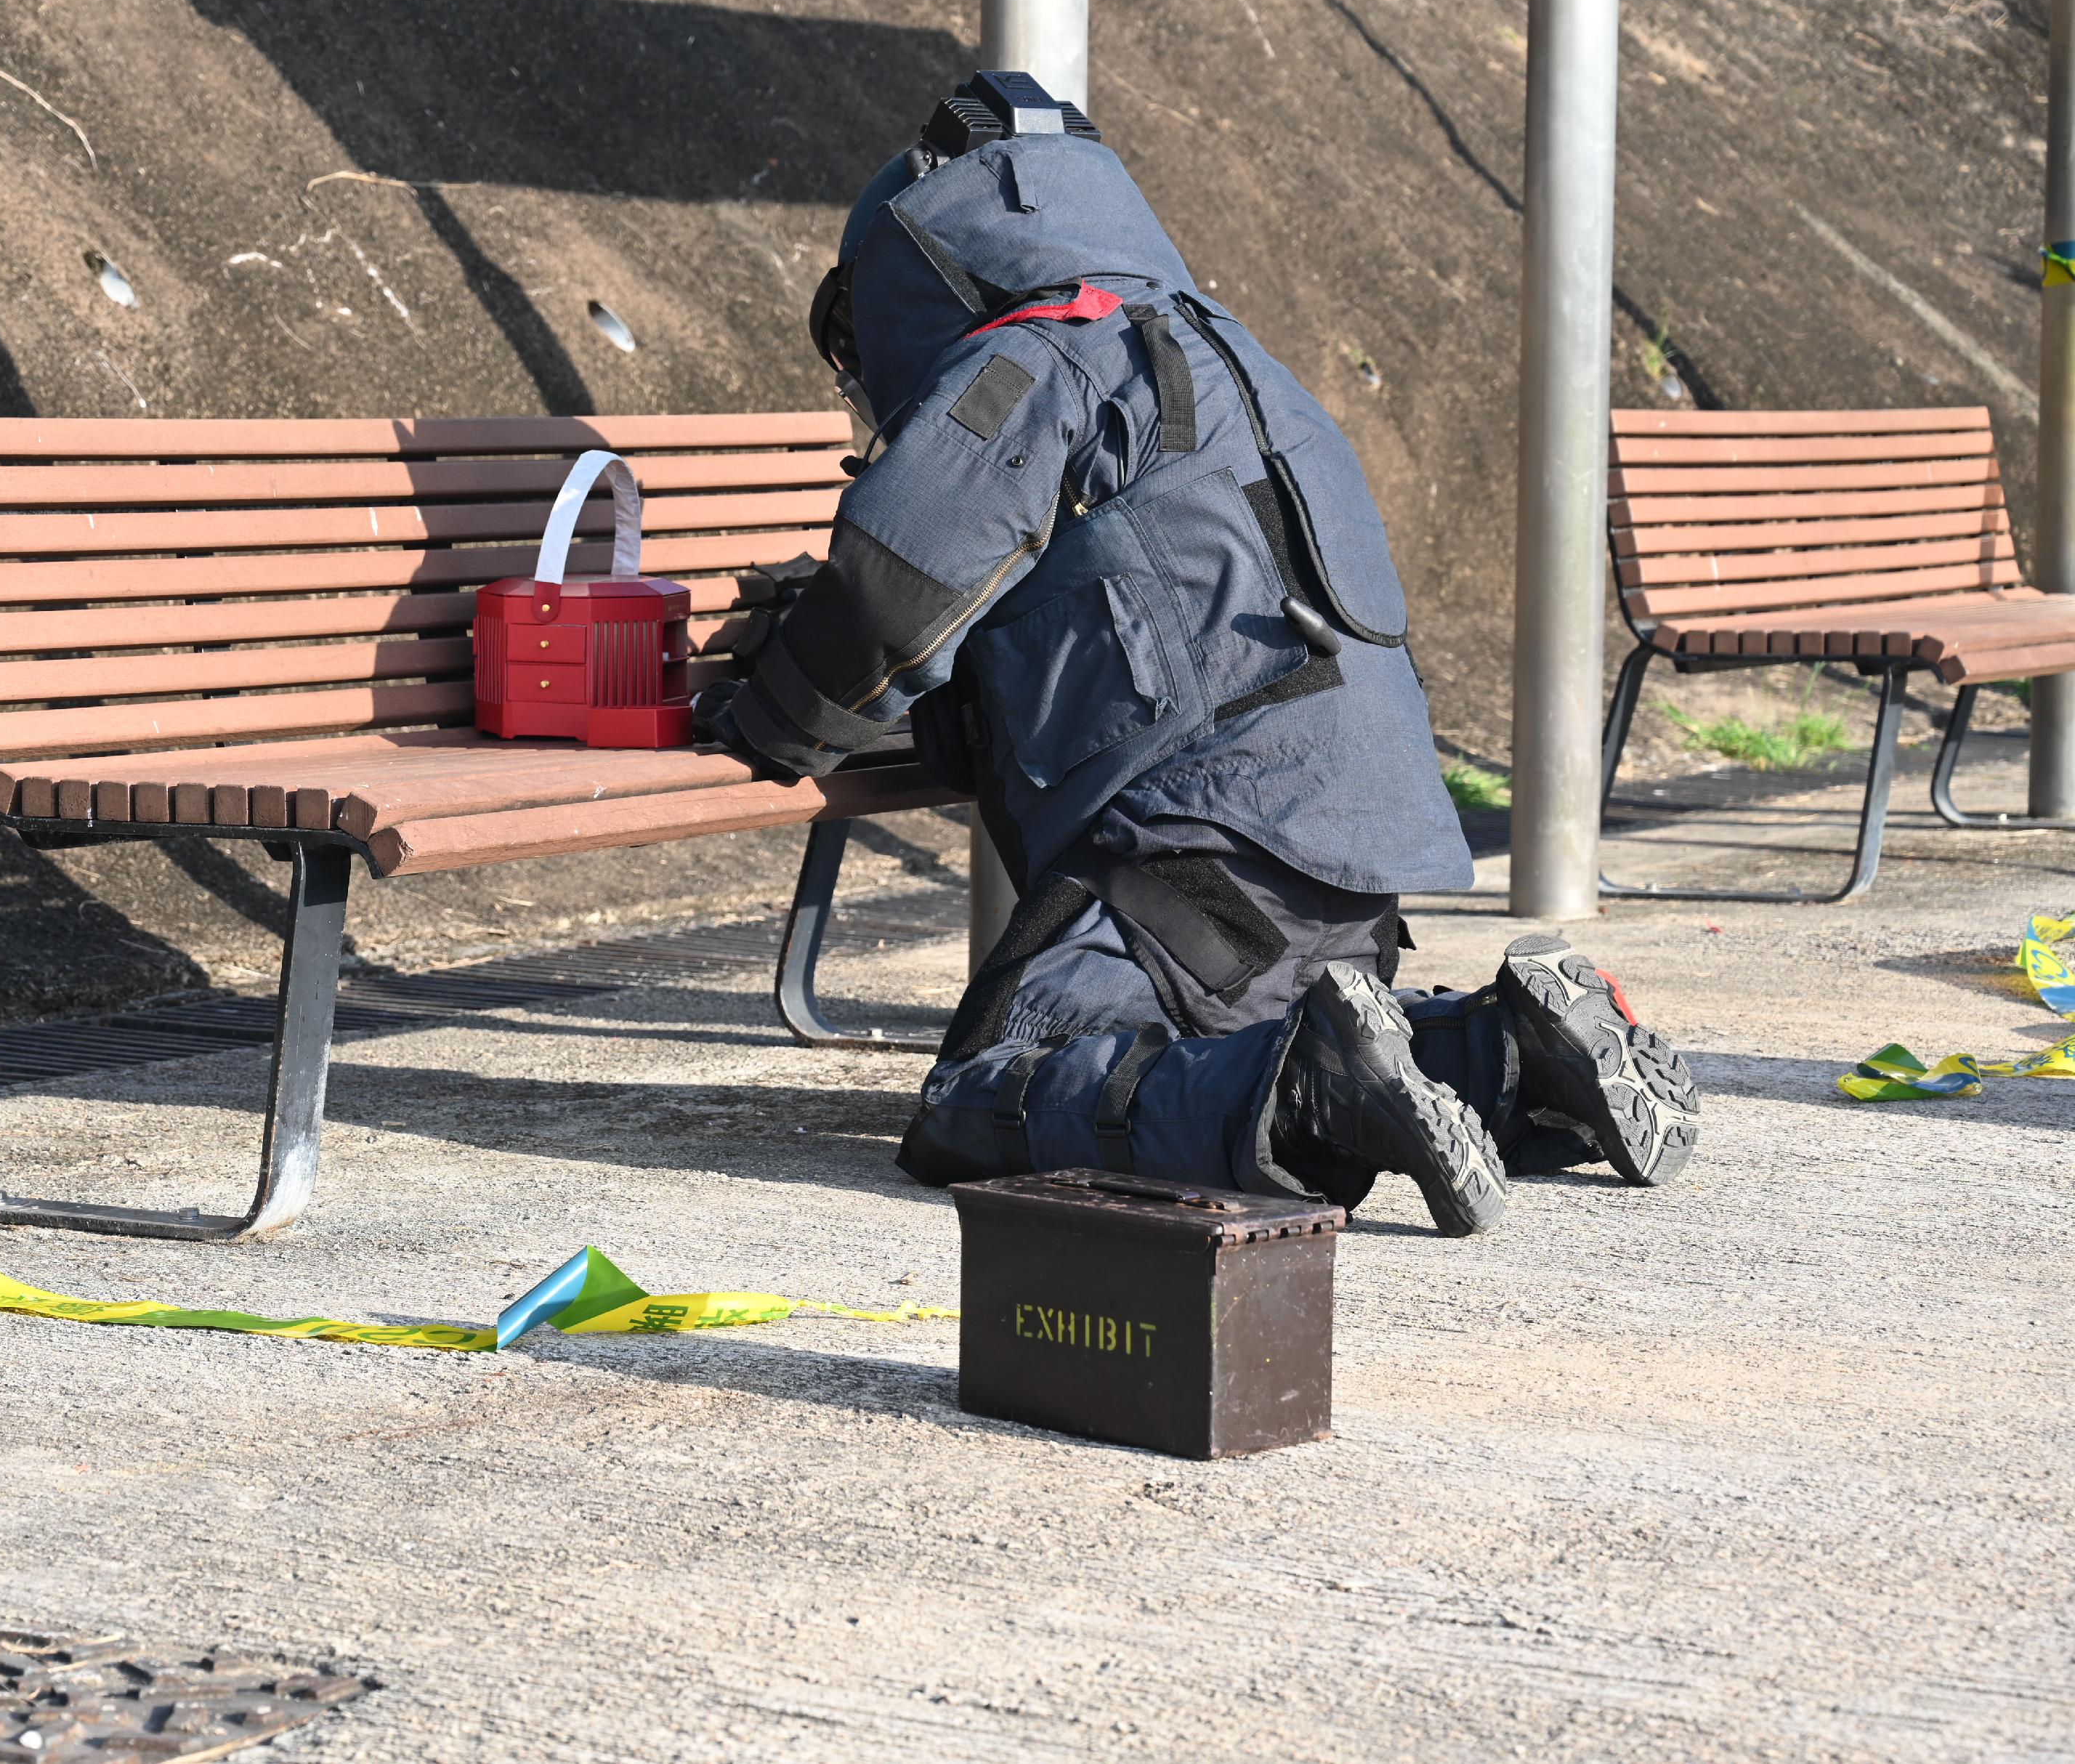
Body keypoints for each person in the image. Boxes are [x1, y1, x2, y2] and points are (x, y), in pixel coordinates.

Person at [693, 73, 1699, 1235]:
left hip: (1197, 862)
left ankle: (1313, 1106)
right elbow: (1132, 627)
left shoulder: (1042, 352)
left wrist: (769, 720)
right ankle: (1517, 1061)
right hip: (1342, 868)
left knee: (983, 1099)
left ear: (915, 275)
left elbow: (888, 597)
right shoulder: (1227, 355)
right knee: (1236, 1043)